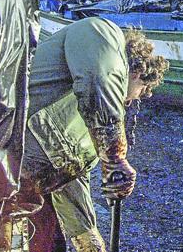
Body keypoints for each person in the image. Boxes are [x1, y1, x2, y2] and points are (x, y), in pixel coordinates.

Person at [16, 17, 169, 252]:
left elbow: (70, 177)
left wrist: (90, 241)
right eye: (139, 93)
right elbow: (98, 77)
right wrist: (114, 158)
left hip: (20, 176)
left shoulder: (82, 115)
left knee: (49, 242)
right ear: (138, 73)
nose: (131, 102)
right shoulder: (102, 33)